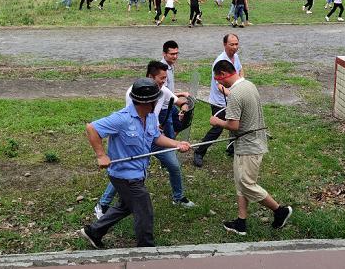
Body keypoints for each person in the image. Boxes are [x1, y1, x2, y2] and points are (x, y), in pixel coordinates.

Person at [79, 77, 192, 249]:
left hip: (138, 173)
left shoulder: (151, 117)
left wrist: (177, 144)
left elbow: (156, 136)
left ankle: (93, 231)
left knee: (125, 206)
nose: (157, 102)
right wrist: (101, 155)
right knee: (144, 211)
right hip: (124, 176)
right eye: (155, 99)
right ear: (147, 102)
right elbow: (92, 128)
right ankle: (145, 250)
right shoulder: (122, 118)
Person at [94, 61, 195, 218]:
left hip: (153, 137)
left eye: (166, 78)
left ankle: (178, 197)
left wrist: (184, 108)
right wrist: (101, 155)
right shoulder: (133, 95)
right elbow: (130, 122)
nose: (164, 82)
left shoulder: (163, 91)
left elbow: (177, 101)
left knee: (173, 165)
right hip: (135, 140)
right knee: (123, 172)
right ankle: (103, 204)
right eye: (161, 78)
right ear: (150, 77)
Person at [208, 60, 292, 236]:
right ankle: (241, 222)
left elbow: (233, 125)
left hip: (249, 146)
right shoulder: (248, 85)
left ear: (223, 74)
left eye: (218, 79)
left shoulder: (235, 95)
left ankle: (280, 211)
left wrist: (217, 121)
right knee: (241, 183)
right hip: (253, 143)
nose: (218, 83)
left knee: (247, 184)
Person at [193, 33, 244, 167]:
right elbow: (219, 84)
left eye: (236, 44)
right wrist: (234, 94)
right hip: (219, 101)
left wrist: (242, 83)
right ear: (224, 45)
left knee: (236, 123)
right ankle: (199, 152)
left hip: (233, 98)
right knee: (218, 128)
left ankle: (232, 147)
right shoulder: (220, 61)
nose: (235, 47)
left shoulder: (236, 57)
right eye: (231, 44)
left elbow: (240, 71)